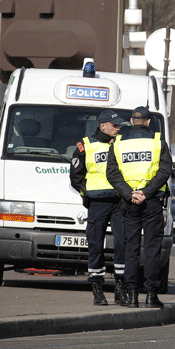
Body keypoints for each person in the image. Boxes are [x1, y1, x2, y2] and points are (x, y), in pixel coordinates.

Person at [106, 106, 172, 309]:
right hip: (151, 202)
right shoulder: (158, 142)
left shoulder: (117, 143)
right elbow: (165, 170)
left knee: (131, 250)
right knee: (152, 249)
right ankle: (151, 295)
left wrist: (129, 193)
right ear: (149, 122)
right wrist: (147, 192)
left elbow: (112, 173)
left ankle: (132, 295)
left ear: (132, 122)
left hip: (128, 203)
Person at [69, 109, 126, 306]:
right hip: (97, 203)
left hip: (119, 201)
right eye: (114, 125)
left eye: (119, 125)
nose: (118, 128)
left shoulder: (121, 144)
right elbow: (76, 177)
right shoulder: (85, 146)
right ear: (103, 126)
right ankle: (97, 289)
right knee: (95, 245)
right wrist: (87, 195)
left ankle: (121, 287)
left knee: (123, 244)